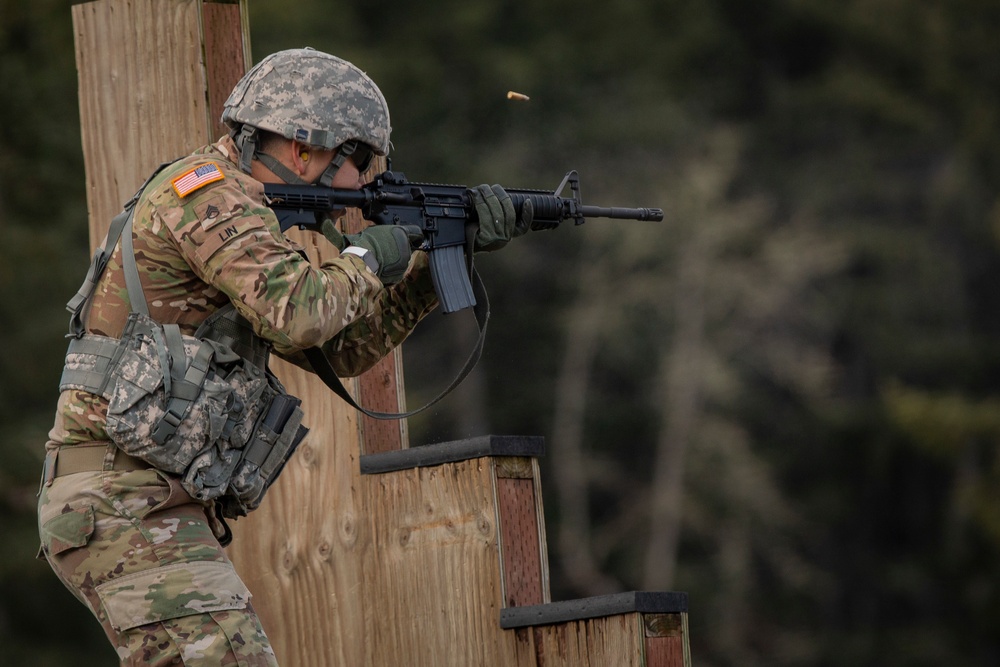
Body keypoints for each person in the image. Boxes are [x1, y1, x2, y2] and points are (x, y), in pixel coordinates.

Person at [37, 48, 530, 666]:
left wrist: (434, 269)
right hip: (121, 496)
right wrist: (368, 255)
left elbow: (342, 349)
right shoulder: (207, 196)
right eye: (360, 165)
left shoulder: (250, 214)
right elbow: (299, 312)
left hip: (143, 498)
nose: (365, 188)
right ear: (307, 151)